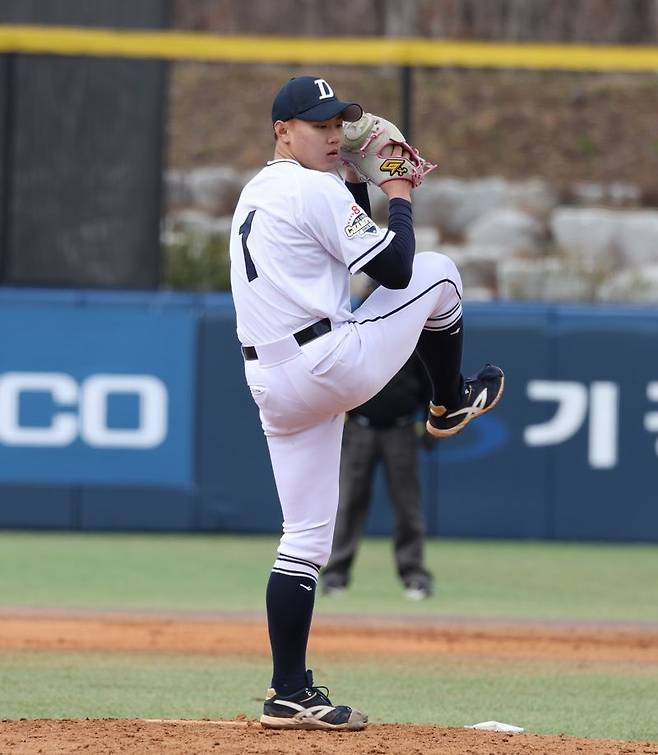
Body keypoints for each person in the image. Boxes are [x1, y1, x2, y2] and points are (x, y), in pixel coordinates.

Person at [229, 75, 504, 732]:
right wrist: (399, 191)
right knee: (441, 272)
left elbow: (340, 237)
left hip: (274, 384)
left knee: (303, 541)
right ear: (282, 130)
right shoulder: (310, 187)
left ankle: (288, 692)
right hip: (327, 362)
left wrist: (355, 179)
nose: (331, 135)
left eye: (337, 125)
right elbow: (399, 267)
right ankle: (448, 402)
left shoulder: (260, 191)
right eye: (318, 125)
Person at [322, 328, 435, 600]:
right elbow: (339, 377)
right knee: (349, 502)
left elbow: (429, 382)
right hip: (360, 427)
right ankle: (336, 576)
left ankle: (414, 576)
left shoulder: (411, 333)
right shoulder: (356, 331)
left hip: (402, 427)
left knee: (408, 506)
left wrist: (430, 424)